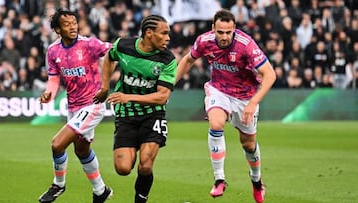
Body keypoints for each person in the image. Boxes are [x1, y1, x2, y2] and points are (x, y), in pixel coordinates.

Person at [175, 9, 276, 203]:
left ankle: (256, 181)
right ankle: (219, 178)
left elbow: (270, 74)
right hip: (218, 90)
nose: (224, 36)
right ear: (213, 29)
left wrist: (253, 102)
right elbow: (188, 59)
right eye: (220, 32)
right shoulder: (204, 41)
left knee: (248, 144)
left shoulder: (246, 45)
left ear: (234, 29)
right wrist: (169, 86)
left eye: (228, 32)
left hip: (246, 97)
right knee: (216, 123)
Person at [93, 15, 177, 203]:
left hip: (152, 114)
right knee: (123, 168)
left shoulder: (167, 59)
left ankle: (140, 200)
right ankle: (138, 145)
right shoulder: (123, 46)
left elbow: (162, 96)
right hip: (126, 114)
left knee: (145, 166)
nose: (168, 38)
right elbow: (109, 58)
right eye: (164, 33)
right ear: (149, 33)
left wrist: (128, 97)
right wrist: (105, 87)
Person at [38, 8, 113, 203]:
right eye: (67, 24)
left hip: (93, 103)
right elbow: (53, 79)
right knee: (82, 150)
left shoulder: (89, 44)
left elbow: (113, 52)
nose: (72, 27)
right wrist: (49, 93)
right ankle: (101, 191)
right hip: (73, 107)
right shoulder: (53, 50)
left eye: (74, 23)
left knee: (57, 144)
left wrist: (106, 85)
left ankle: (58, 185)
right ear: (57, 29)